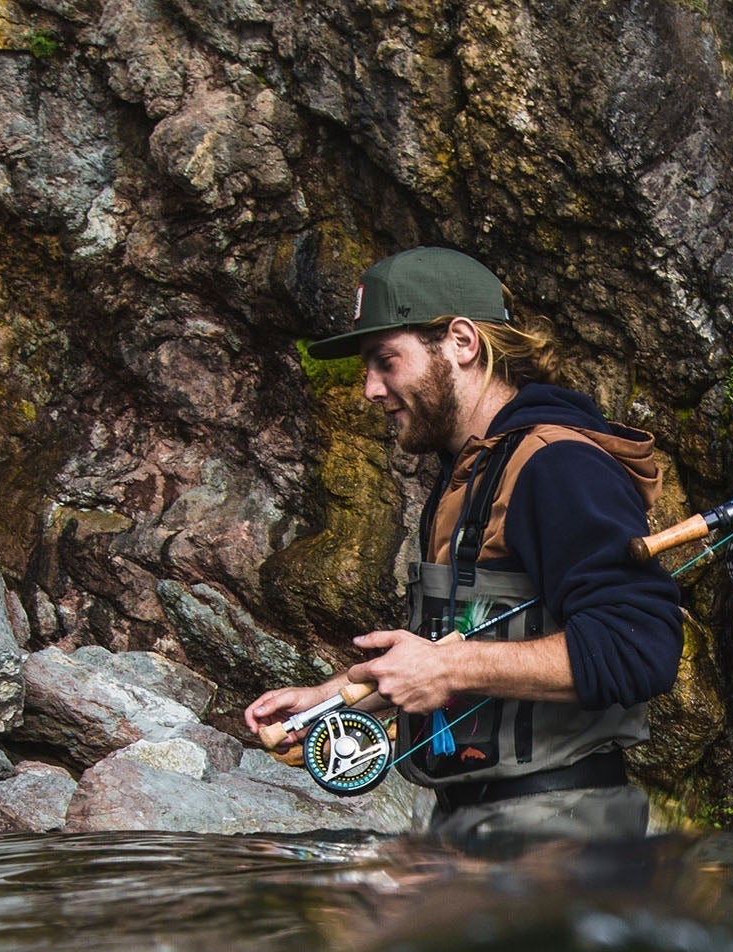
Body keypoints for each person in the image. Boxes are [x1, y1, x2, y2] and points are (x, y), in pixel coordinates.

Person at [246, 246, 682, 845]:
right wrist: (328, 705)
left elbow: (640, 647)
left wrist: (447, 669)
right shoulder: (470, 471)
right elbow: (471, 639)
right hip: (475, 830)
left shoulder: (557, 465)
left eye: (385, 362)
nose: (369, 389)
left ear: (461, 342)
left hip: (561, 841)